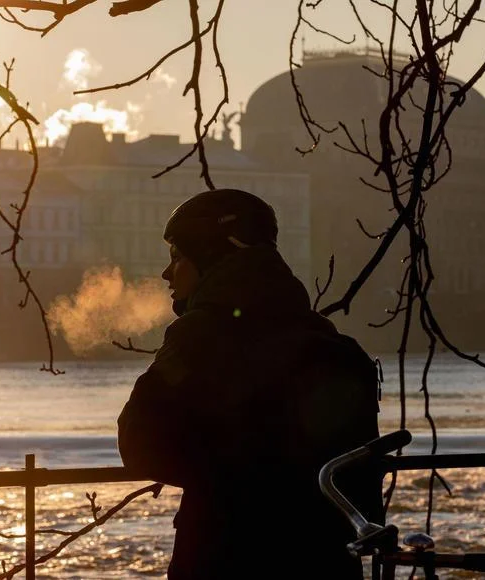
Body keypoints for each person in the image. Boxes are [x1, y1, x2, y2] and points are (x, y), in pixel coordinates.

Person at [117, 188, 384, 579]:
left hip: (227, 554)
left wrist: (223, 477)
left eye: (177, 256)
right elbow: (360, 479)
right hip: (326, 559)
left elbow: (138, 442)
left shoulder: (199, 337)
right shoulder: (331, 343)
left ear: (210, 255)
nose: (167, 273)